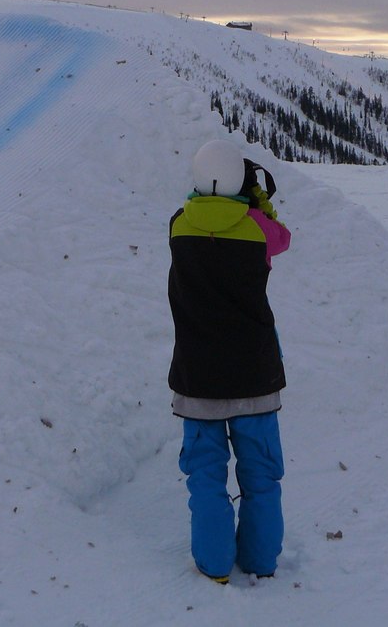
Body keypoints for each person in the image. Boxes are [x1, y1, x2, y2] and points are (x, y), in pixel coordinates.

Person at [168, 139, 291, 584]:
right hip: (254, 374)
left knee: (205, 477)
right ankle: (260, 561)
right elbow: (282, 238)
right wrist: (258, 203)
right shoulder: (259, 230)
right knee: (261, 476)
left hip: (197, 377)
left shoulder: (179, 225)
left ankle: (215, 564)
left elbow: (198, 217)